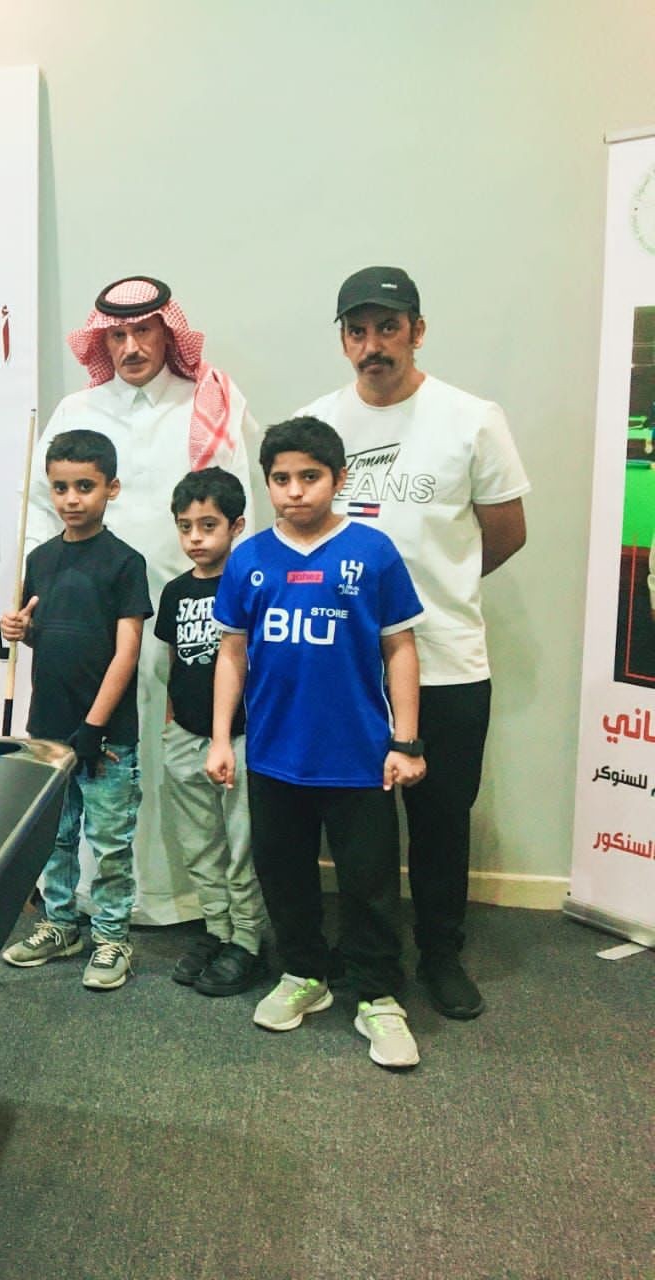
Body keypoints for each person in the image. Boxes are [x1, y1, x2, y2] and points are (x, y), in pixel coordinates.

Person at [295, 267, 529, 1020]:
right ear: (343, 340)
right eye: (358, 331)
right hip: (345, 669)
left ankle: (440, 954)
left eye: (388, 328)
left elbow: (505, 533)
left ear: (417, 331)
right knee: (354, 823)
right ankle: (367, 951)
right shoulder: (316, 423)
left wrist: (425, 595)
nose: (374, 345)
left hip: (447, 660)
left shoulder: (471, 419)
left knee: (439, 819)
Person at [27, 276, 257, 924]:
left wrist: (234, 609)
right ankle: (92, 902)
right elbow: (40, 516)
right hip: (92, 622)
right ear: (102, 341)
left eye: (144, 331)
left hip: (191, 618)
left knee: (179, 751)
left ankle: (189, 898)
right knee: (101, 754)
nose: (130, 346)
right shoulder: (76, 413)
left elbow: (240, 512)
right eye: (117, 335)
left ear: (167, 332)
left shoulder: (207, 402)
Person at [208, 417, 427, 1069]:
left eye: (310, 476)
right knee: (284, 876)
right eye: (281, 479)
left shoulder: (373, 552)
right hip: (275, 755)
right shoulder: (248, 558)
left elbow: (400, 647)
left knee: (369, 884)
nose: (295, 490)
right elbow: (231, 653)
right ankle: (304, 973)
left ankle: (378, 996)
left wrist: (406, 741)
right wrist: (221, 739)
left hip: (358, 757)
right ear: (267, 483)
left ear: (340, 479)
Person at [0, 429, 153, 990]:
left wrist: (93, 726)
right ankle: (60, 924)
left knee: (109, 843)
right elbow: (46, 634)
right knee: (55, 838)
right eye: (60, 487)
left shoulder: (125, 562)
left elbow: (126, 652)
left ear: (111, 488)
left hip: (105, 737)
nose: (71, 499)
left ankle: (112, 937)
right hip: (48, 731)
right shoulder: (40, 559)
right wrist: (18, 630)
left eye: (85, 486)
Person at [155, 466, 267, 996]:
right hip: (186, 736)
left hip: (242, 738)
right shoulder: (176, 592)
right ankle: (217, 929)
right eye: (185, 527)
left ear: (236, 526)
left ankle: (248, 939)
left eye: (208, 526)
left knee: (242, 846)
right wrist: (171, 724)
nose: (195, 538)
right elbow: (172, 663)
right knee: (200, 845)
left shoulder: (250, 584)